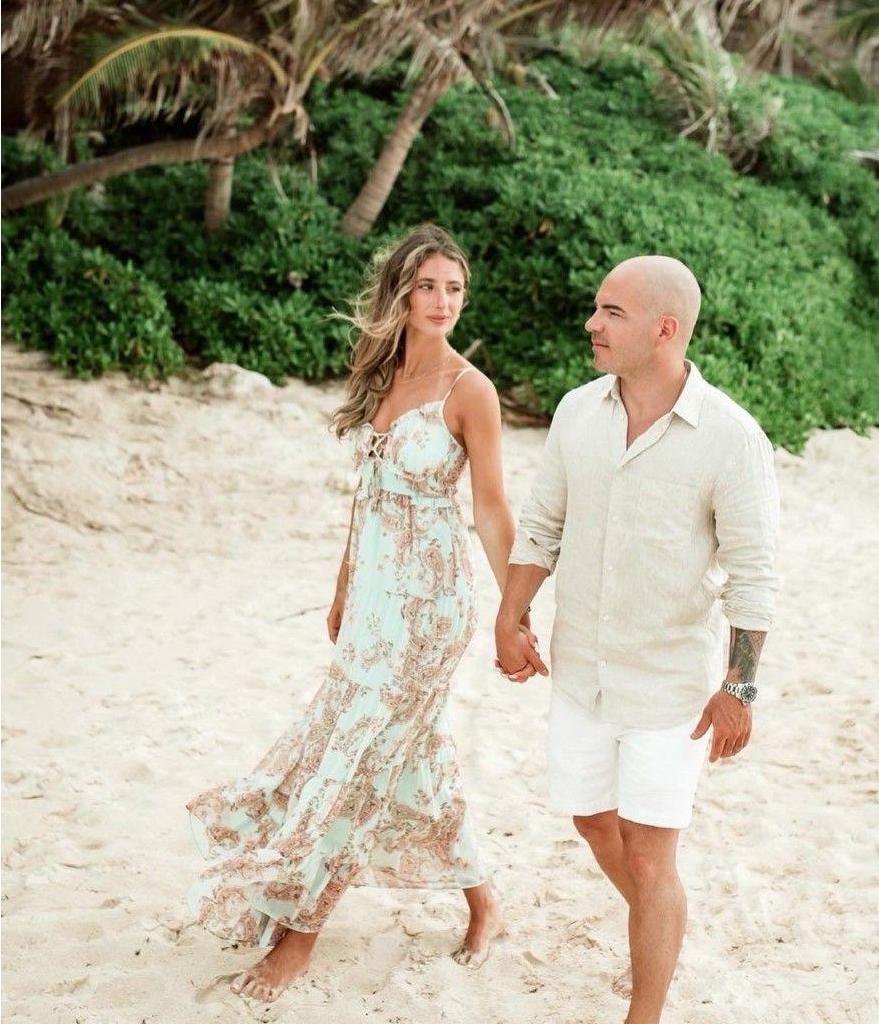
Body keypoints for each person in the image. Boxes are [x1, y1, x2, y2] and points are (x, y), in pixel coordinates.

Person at [186, 224, 522, 1003]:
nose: (443, 301)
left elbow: (492, 510)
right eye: (429, 286)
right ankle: (485, 904)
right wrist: (343, 586)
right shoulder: (380, 375)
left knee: (358, 762)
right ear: (402, 291)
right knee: (407, 757)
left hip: (430, 608)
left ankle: (300, 935)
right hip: (374, 601)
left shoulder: (470, 391)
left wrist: (514, 610)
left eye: (455, 289)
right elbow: (366, 497)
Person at [493, 255, 780, 1024]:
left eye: (612, 312)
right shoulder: (575, 412)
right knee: (593, 822)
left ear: (664, 329)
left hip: (669, 690)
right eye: (597, 307)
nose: (592, 323)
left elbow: (754, 576)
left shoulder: (731, 438)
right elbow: (542, 523)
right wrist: (510, 615)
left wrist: (740, 688)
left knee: (652, 858)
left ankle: (644, 1010)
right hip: (578, 674)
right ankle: (665, 917)